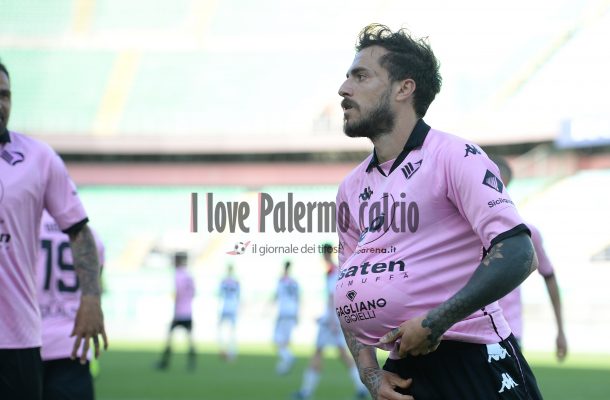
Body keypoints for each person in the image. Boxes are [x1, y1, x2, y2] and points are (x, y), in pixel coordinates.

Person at [333, 24, 543, 399]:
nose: (344, 89)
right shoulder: (350, 188)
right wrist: (370, 374)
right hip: (402, 372)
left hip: (475, 363)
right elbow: (349, 289)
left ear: (404, 88)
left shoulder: (454, 156)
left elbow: (519, 253)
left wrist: (435, 322)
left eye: (361, 76)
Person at [0, 60, 107, 400]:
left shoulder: (38, 158)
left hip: (17, 338)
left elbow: (80, 232)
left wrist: (91, 298)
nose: (1, 104)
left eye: (5, 95)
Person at [491, 155, 568, 361]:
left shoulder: (527, 233)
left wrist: (560, 330)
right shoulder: (462, 232)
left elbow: (549, 275)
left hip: (508, 333)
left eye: (500, 186)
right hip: (466, 333)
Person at [37, 211, 106, 400]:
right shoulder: (89, 234)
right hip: (73, 342)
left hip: (25, 342)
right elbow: (96, 285)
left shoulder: (22, 224)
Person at [293, 243, 368, 399]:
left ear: (324, 254)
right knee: (342, 354)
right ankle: (360, 388)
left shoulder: (332, 271)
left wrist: (330, 319)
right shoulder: (336, 270)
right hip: (335, 319)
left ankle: (306, 391)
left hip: (331, 321)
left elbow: (333, 296)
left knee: (319, 352)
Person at [155, 251, 197, 371]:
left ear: (177, 261)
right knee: (190, 338)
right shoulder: (189, 275)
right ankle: (192, 363)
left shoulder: (178, 275)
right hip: (188, 311)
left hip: (179, 312)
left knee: (169, 337)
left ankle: (165, 362)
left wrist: (176, 310)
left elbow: (178, 293)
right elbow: (193, 292)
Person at [273, 260, 300, 375]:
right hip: (292, 312)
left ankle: (288, 357)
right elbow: (298, 298)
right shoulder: (294, 282)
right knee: (285, 341)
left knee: (276, 339)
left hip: (284, 312)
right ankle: (285, 363)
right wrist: (297, 314)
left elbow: (276, 296)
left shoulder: (281, 281)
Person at [217, 263, 240, 361]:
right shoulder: (236, 282)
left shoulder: (223, 281)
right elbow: (238, 295)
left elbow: (220, 294)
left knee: (220, 328)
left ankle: (222, 349)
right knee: (232, 331)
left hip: (225, 306)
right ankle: (231, 353)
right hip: (233, 306)